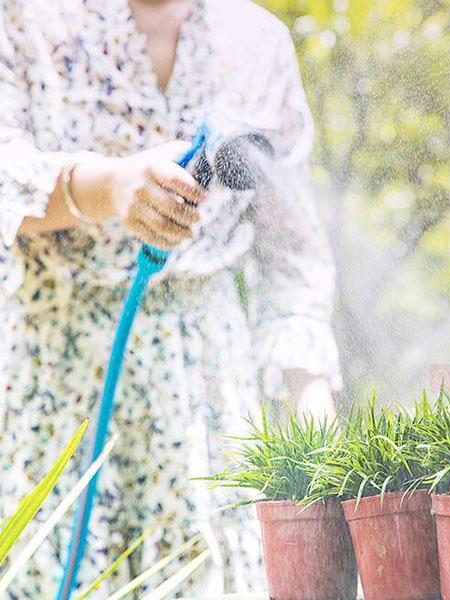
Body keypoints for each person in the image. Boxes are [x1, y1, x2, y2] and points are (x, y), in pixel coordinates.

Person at [0, 0, 341, 595]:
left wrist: (312, 409)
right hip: (59, 388)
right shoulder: (27, 17)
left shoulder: (256, 42)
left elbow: (294, 254)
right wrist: (102, 187)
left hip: (211, 400)